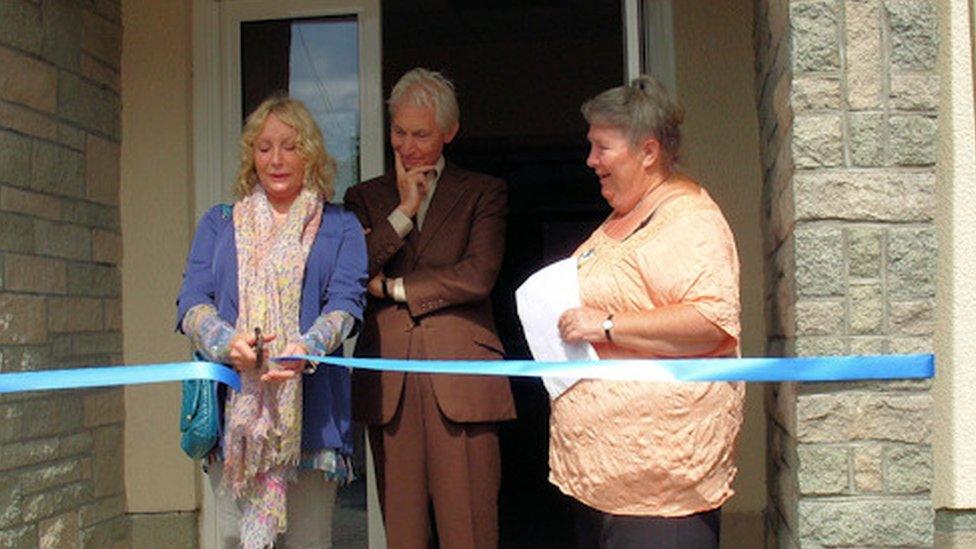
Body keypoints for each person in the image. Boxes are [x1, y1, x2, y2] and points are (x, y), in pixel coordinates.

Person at [554, 76, 743, 548]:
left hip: (660, 489)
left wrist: (608, 325)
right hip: (606, 479)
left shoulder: (689, 218)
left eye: (601, 147)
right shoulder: (622, 216)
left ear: (648, 151)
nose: (590, 161)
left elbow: (710, 322)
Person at [176, 95, 367, 549]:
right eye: (264, 147)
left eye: (290, 145)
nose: (276, 159)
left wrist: (308, 348)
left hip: (313, 422)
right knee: (230, 539)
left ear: (311, 153)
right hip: (236, 426)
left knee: (307, 542)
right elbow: (191, 302)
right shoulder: (218, 224)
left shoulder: (341, 226)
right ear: (251, 155)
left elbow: (346, 305)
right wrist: (227, 344)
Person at [344, 67, 515, 549]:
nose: (407, 145)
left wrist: (395, 288)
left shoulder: (483, 191)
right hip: (389, 380)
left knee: (471, 531)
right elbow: (352, 274)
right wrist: (401, 212)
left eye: (420, 134)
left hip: (461, 375)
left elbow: (478, 275)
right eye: (399, 131)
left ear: (449, 132)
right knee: (402, 533)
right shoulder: (365, 197)